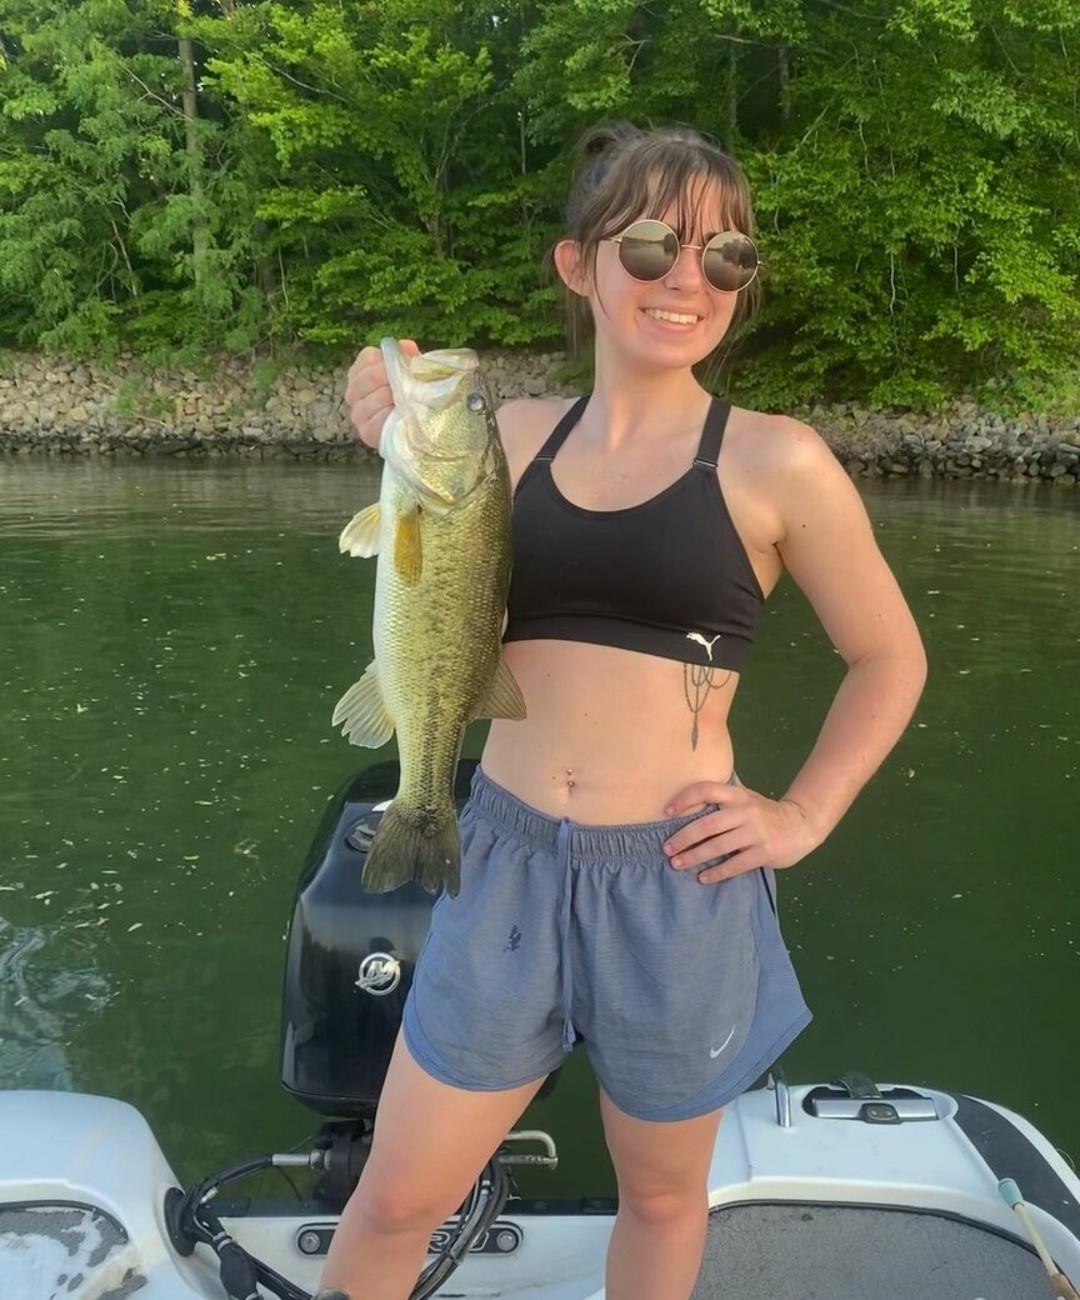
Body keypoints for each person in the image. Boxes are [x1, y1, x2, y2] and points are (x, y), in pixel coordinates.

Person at [317, 122, 927, 1300]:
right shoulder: (505, 438)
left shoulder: (778, 462)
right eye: (650, 246)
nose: (687, 277)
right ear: (578, 265)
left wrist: (802, 813)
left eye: (725, 255)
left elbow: (888, 657)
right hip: (498, 855)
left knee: (657, 1198)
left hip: (677, 878)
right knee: (393, 1198)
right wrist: (377, 407)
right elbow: (419, 536)